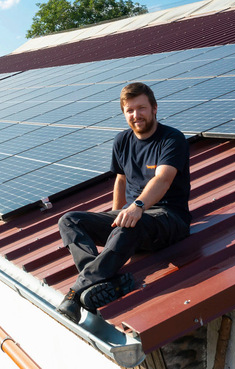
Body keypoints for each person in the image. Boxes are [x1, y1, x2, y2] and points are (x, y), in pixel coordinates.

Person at [55, 82, 191, 324]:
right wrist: (116, 217)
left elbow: (163, 178)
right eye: (129, 110)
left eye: (141, 108)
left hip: (169, 218)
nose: (136, 115)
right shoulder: (122, 141)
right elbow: (120, 180)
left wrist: (137, 206)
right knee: (69, 220)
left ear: (154, 109)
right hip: (134, 217)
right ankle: (104, 281)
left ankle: (76, 294)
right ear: (124, 113)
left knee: (130, 224)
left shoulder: (172, 139)